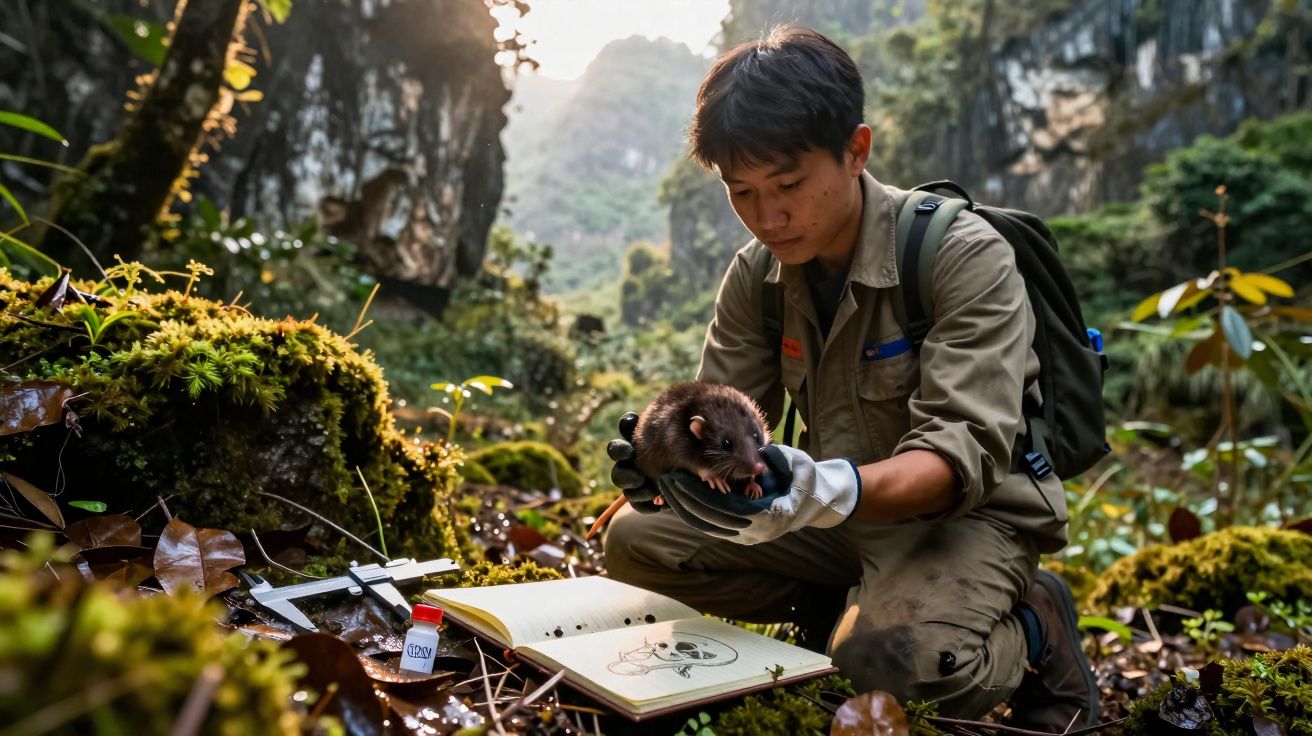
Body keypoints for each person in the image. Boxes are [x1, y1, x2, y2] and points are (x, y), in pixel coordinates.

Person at [603, 25, 1099, 730]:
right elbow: (723, 422)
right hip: (832, 514)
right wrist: (668, 469)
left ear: (856, 150)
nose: (767, 215)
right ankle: (842, 606)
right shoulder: (758, 277)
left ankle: (1036, 626)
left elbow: (958, 459)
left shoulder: (961, 256)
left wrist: (819, 488)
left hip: (961, 518)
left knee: (893, 665)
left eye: (789, 184)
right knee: (634, 541)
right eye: (740, 191)